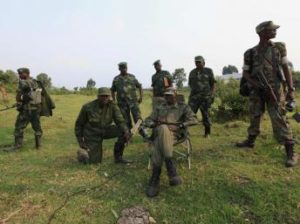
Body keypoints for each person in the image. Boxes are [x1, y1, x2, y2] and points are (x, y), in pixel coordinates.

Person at [236, 21, 298, 167]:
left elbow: (285, 68)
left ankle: (291, 152)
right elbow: (245, 73)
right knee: (254, 115)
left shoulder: (279, 48)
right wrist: (256, 84)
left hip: (275, 90)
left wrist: (290, 88)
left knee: (279, 117)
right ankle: (250, 141)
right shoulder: (250, 52)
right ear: (262, 32)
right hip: (256, 91)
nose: (275, 31)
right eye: (272, 30)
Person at [144, 87, 198, 197]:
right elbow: (148, 120)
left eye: (170, 95)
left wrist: (181, 125)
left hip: (175, 135)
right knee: (163, 128)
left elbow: (194, 120)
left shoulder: (183, 107)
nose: (167, 97)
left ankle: (155, 177)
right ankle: (170, 168)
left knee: (160, 139)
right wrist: (154, 124)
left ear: (175, 95)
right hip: (159, 132)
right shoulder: (159, 107)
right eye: (166, 95)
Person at [75, 87, 132, 164]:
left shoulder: (113, 106)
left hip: (106, 130)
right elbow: (79, 124)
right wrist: (80, 141)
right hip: (92, 134)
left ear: (110, 96)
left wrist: (126, 131)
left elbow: (120, 121)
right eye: (102, 96)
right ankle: (82, 152)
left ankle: (118, 158)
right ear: (98, 96)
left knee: (123, 130)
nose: (105, 98)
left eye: (107, 96)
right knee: (93, 162)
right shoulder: (87, 107)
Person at [111, 62, 148, 139]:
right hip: (122, 104)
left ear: (127, 68)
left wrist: (141, 97)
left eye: (125, 68)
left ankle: (144, 134)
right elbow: (112, 90)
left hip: (134, 102)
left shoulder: (132, 77)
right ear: (119, 69)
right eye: (122, 68)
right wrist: (114, 100)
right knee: (126, 120)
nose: (124, 69)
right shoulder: (116, 79)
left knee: (138, 119)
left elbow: (140, 86)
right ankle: (129, 136)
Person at [10, 68, 43, 150]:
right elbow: (37, 96)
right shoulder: (35, 82)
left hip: (27, 110)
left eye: (21, 73)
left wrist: (20, 99)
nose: (19, 75)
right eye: (19, 74)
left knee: (19, 127)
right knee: (37, 127)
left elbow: (20, 96)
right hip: (36, 109)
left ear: (27, 73)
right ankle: (38, 146)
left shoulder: (24, 82)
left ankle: (17, 146)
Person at [188, 56, 216, 137]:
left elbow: (213, 83)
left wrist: (212, 94)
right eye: (196, 62)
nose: (197, 63)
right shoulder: (192, 72)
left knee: (206, 115)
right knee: (188, 114)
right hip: (194, 98)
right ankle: (185, 132)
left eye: (199, 62)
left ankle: (207, 133)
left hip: (205, 97)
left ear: (204, 62)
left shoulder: (209, 71)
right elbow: (190, 84)